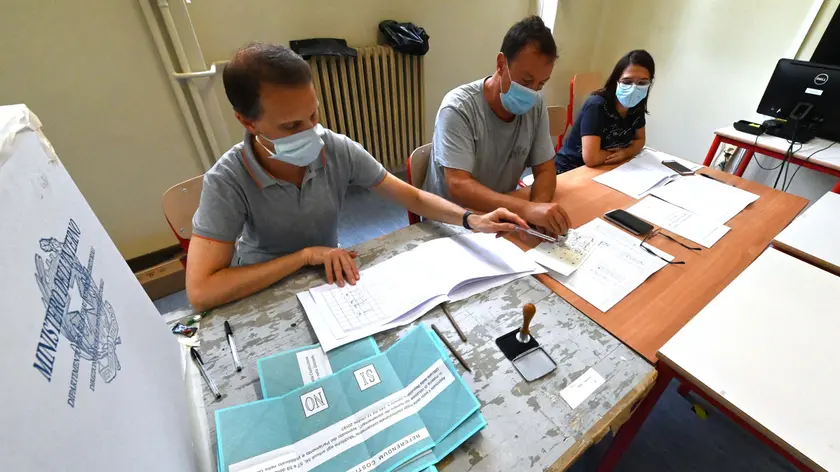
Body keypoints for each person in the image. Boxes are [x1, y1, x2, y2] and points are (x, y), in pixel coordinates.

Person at [186, 43, 529, 311]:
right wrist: (305, 256)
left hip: (326, 278)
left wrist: (472, 220)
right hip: (262, 290)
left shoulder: (334, 148)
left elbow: (412, 197)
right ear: (247, 122)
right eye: (291, 126)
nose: (310, 132)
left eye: (312, 115)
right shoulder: (227, 180)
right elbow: (201, 291)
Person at [422, 16, 570, 237]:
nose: (533, 91)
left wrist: (538, 207)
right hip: (454, 221)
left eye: (541, 84)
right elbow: (458, 185)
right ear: (501, 64)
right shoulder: (458, 107)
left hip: (502, 214)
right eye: (527, 80)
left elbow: (545, 169)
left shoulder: (536, 105)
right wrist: (527, 209)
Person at [554, 50, 655, 173]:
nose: (634, 88)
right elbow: (591, 158)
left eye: (642, 83)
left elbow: (640, 140)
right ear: (616, 81)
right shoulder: (597, 105)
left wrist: (625, 152)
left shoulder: (636, 105)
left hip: (606, 169)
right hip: (571, 169)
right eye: (627, 82)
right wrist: (624, 152)